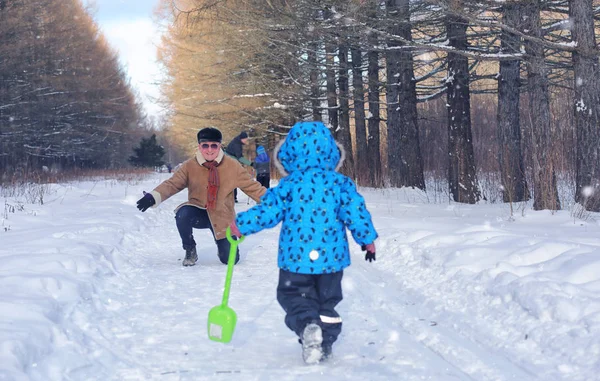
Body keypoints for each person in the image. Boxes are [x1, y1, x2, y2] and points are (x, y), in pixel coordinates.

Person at [229, 121, 378, 364]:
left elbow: (268, 211)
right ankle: (325, 342)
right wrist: (367, 240)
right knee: (327, 302)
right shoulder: (340, 184)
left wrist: (241, 224)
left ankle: (308, 325)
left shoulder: (289, 185)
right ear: (330, 151)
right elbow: (356, 212)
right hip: (331, 261)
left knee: (292, 295)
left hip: (295, 259)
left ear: (289, 153)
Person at [136, 127, 266, 267]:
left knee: (230, 260)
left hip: (221, 216)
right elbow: (173, 184)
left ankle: (222, 244)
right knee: (182, 214)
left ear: (219, 146)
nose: (209, 150)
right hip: (198, 212)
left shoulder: (232, 165)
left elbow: (252, 187)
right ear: (199, 146)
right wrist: (154, 196)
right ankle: (190, 248)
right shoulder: (190, 166)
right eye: (205, 145)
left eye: (214, 146)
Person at [225, 131, 252, 202]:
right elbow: (240, 157)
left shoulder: (237, 142)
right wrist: (250, 164)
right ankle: (231, 198)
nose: (246, 140)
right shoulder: (237, 144)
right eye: (245, 139)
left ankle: (232, 197)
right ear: (242, 138)